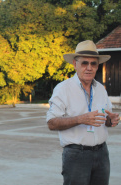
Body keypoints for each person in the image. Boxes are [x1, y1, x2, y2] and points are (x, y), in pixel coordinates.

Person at [46, 40, 120, 185]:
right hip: (76, 155)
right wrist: (80, 119)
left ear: (97, 66)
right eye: (84, 63)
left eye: (93, 64)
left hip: (102, 153)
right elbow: (51, 123)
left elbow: (106, 118)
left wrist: (111, 121)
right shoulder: (63, 89)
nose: (89, 68)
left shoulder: (100, 89)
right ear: (75, 64)